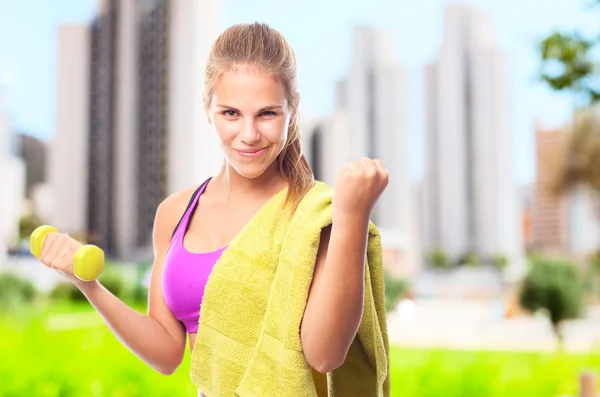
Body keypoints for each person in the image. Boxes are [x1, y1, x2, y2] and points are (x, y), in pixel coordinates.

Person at [37, 22, 389, 396]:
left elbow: (324, 354)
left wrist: (353, 217)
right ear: (208, 109)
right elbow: (167, 352)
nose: (249, 134)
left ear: (293, 109)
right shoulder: (175, 213)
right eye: (231, 113)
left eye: (267, 113)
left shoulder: (313, 214)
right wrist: (88, 285)